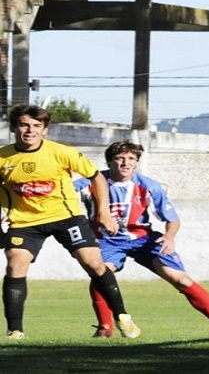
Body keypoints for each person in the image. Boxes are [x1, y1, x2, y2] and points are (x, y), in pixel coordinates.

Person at [74, 140, 209, 339]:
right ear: (109, 162)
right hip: (107, 240)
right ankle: (105, 328)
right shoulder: (91, 182)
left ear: (137, 163)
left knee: (181, 279)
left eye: (131, 159)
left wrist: (169, 236)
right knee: (100, 274)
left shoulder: (149, 186)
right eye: (119, 158)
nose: (125, 163)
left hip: (144, 240)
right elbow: (62, 193)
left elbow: (172, 220)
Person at [0, 104, 140, 340]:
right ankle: (15, 330)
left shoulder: (62, 152)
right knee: (15, 264)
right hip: (25, 221)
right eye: (24, 124)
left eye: (36, 126)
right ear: (15, 127)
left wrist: (103, 213)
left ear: (45, 129)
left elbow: (96, 177)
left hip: (66, 217)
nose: (30, 130)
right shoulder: (3, 157)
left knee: (94, 263)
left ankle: (122, 316)